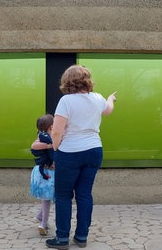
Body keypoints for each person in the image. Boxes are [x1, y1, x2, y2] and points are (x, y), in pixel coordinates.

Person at [45, 65, 116, 249]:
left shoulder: (66, 101)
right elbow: (108, 110)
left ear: (67, 81)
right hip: (94, 150)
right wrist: (111, 98)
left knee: (63, 196)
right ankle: (81, 237)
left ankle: (62, 239)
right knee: (84, 194)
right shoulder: (97, 98)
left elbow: (57, 131)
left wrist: (56, 151)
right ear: (87, 80)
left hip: (70, 153)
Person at [30, 114, 55, 236]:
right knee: (46, 199)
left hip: (50, 172)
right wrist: (48, 145)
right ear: (51, 127)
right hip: (46, 172)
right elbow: (33, 146)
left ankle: (40, 216)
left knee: (47, 198)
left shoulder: (53, 136)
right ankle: (43, 224)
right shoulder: (43, 137)